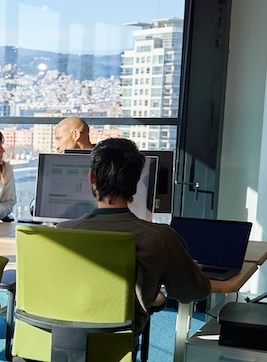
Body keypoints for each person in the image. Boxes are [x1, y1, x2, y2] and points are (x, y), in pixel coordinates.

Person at [58, 138, 210, 334]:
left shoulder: (62, 233)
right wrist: (190, 270)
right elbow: (191, 292)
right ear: (136, 181)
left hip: (57, 338)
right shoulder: (159, 237)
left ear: (91, 178)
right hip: (116, 341)